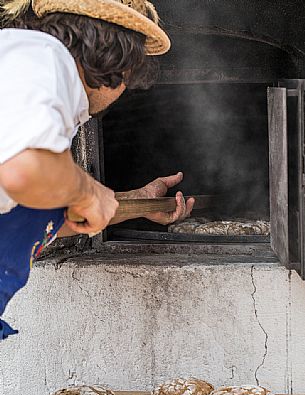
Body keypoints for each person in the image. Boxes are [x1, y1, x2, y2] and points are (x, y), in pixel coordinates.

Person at [0, 0, 195, 340]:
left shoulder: (24, 77)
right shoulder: (42, 56)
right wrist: (88, 191)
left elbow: (40, 217)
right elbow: (23, 170)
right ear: (117, 56)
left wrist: (136, 201)